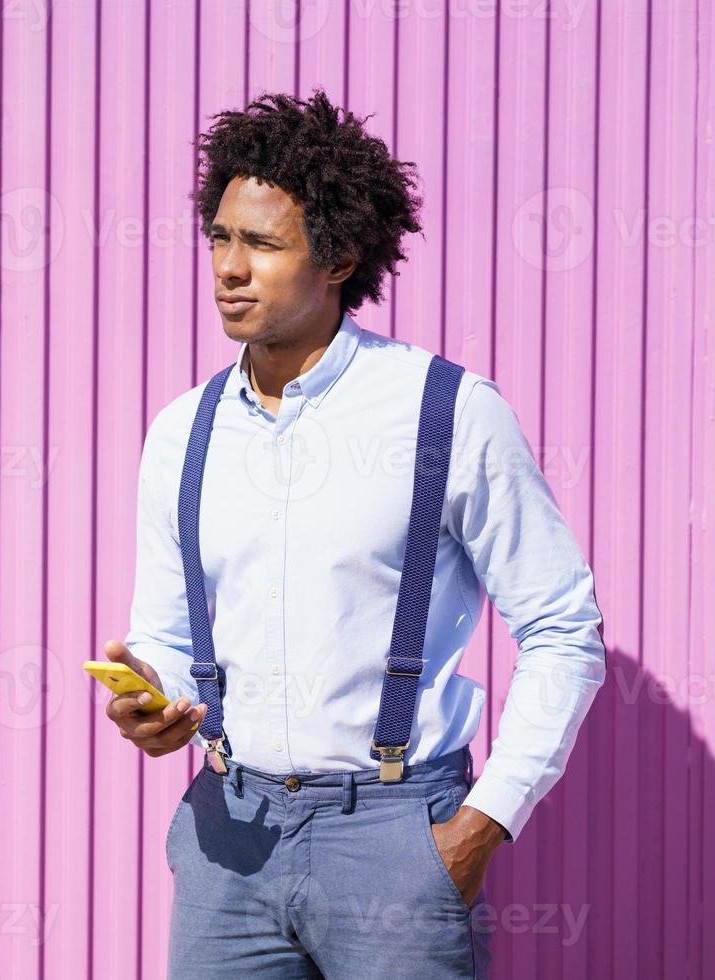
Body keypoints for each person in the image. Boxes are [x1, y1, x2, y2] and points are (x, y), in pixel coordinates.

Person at [97, 90, 606, 980]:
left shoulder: (449, 413)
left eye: (261, 244)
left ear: (337, 257)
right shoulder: (183, 431)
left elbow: (564, 632)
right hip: (228, 841)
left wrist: (479, 829)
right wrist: (154, 696)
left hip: (398, 838)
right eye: (220, 237)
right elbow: (170, 636)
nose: (228, 267)